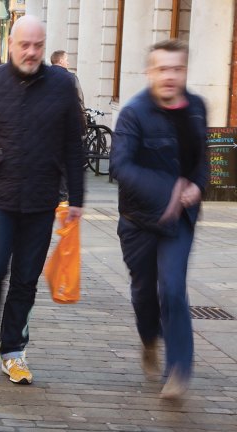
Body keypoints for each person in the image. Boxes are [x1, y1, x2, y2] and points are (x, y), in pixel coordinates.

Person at [0, 15, 84, 385]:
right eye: (24, 44)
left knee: (26, 278)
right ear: (11, 44)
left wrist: (77, 194)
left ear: (44, 47)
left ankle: (13, 351)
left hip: (42, 197)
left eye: (38, 46)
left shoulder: (61, 84)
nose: (31, 52)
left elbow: (74, 141)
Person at [110, 39, 207, 399]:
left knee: (172, 288)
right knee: (144, 294)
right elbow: (121, 166)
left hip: (179, 220)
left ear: (184, 70)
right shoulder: (134, 112)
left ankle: (178, 368)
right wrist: (168, 189)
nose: (170, 76)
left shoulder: (196, 107)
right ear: (150, 71)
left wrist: (197, 186)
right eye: (163, 69)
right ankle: (149, 338)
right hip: (138, 220)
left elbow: (202, 160)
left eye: (177, 68)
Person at [51, 50, 86, 128]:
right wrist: (83, 118)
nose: (68, 63)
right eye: (67, 60)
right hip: (67, 121)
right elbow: (79, 99)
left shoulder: (44, 77)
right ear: (61, 61)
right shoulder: (71, 78)